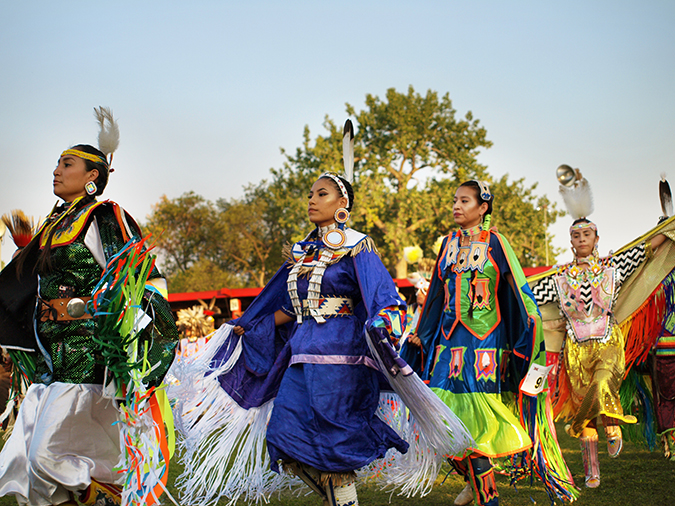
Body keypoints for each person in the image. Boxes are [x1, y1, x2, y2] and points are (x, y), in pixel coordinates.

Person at [170, 169, 473, 506]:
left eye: (322, 194)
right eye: (310, 195)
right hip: (300, 355)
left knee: (334, 444)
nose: (312, 200)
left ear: (343, 203)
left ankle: (342, 498)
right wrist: (253, 323)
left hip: (340, 357)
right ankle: (341, 501)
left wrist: (384, 322)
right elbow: (290, 305)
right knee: (284, 439)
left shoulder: (358, 246)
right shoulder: (303, 251)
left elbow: (385, 297)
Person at [0, 108, 178, 506]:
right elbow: (32, 280)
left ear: (92, 175)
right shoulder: (54, 223)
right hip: (50, 356)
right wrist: (26, 243)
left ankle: (108, 497)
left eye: (67, 164)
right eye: (57, 164)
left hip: (87, 352)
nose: (57, 171)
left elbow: (145, 279)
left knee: (46, 457)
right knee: (29, 465)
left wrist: (133, 341)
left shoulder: (104, 217)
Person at [401, 180, 575, 506]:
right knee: (436, 416)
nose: (456, 206)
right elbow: (436, 296)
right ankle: (475, 478)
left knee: (475, 424)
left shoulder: (496, 242)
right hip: (447, 343)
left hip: (484, 347)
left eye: (464, 201)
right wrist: (421, 334)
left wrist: (531, 327)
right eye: (454, 200)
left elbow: (517, 289)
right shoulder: (448, 244)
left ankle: (487, 497)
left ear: (482, 208)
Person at [529, 169, 669, 488]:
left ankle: (613, 427)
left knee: (605, 380)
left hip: (607, 340)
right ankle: (592, 470)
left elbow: (646, 252)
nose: (581, 240)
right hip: (575, 349)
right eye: (575, 236)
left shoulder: (612, 267)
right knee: (584, 410)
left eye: (586, 235)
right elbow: (532, 295)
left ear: (596, 238)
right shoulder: (558, 277)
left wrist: (666, 226)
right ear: (570, 240)